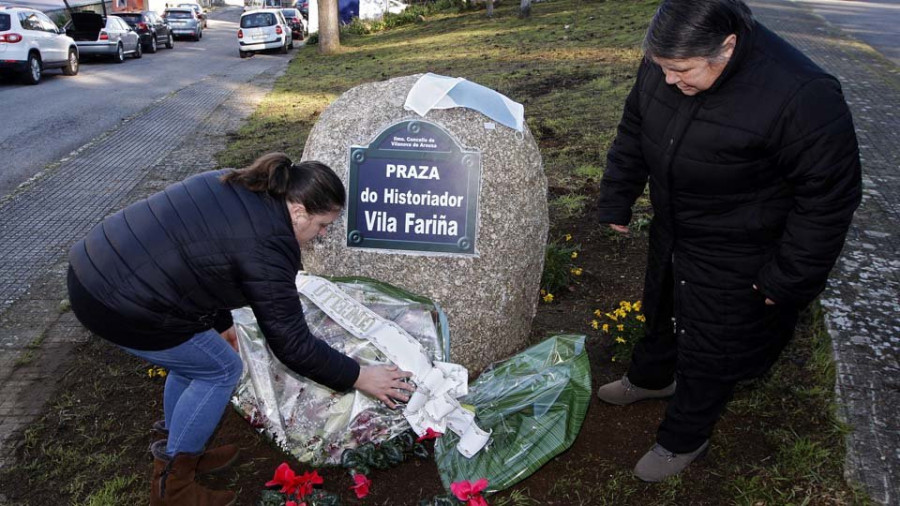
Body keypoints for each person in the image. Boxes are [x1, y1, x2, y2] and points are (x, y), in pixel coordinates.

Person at [593, 0, 862, 482]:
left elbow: (827, 200)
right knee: (659, 303)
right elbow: (635, 124)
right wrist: (618, 195)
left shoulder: (803, 94)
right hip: (676, 223)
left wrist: (790, 278)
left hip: (742, 244)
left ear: (728, 46)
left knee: (712, 342)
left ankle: (684, 437)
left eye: (681, 71)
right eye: (662, 69)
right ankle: (652, 378)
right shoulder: (667, 57)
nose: (670, 80)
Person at [67, 153, 415, 505]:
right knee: (220, 369)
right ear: (297, 212)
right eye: (323, 225)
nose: (322, 234)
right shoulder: (270, 245)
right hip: (117, 303)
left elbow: (203, 260)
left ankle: (184, 443)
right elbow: (292, 345)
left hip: (98, 263)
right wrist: (359, 376)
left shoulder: (244, 184)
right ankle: (173, 485)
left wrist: (221, 324)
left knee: (200, 357)